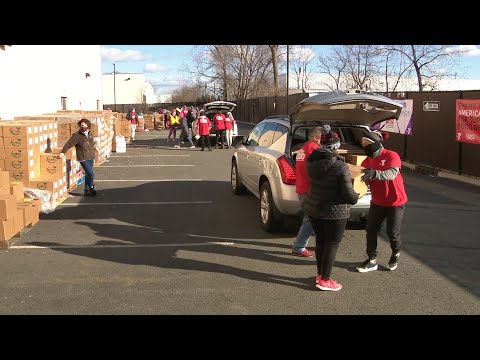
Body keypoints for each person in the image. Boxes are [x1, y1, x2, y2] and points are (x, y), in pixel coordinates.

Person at [302, 126, 360, 291]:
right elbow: (349, 195)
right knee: (332, 244)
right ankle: (325, 280)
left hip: (314, 207)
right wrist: (357, 196)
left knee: (321, 242)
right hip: (335, 212)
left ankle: (320, 275)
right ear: (336, 146)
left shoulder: (311, 160)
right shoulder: (340, 167)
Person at [356, 130, 408, 273]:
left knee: (392, 232)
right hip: (378, 200)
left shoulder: (391, 155)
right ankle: (372, 260)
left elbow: (392, 174)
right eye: (363, 144)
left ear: (376, 143)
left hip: (395, 201)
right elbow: (360, 175)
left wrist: (374, 173)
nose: (365, 147)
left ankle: (395, 253)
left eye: (367, 144)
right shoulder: (367, 160)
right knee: (371, 229)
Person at [291, 127, 324, 257]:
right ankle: (299, 247)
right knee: (310, 219)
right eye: (322, 138)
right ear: (315, 137)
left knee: (311, 218)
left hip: (302, 187)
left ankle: (307, 241)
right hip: (309, 189)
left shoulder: (302, 149)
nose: (323, 142)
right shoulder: (313, 149)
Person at [59, 118, 97, 196]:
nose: (83, 127)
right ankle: (91, 187)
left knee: (88, 173)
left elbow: (90, 144)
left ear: (88, 126)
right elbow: (69, 143)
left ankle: (86, 189)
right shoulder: (77, 135)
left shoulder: (89, 134)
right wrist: (63, 152)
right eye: (82, 125)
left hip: (90, 156)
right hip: (83, 157)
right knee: (91, 173)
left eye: (85, 125)